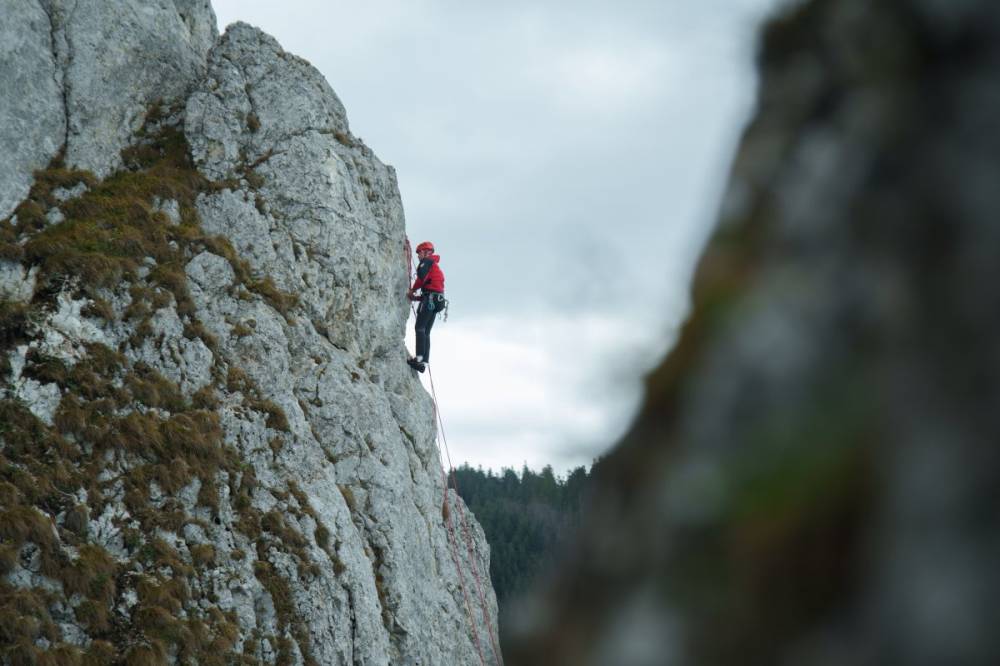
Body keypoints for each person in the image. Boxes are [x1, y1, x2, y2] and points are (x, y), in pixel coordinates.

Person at [407, 241, 445, 373]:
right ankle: (424, 361)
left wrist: (412, 290)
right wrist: (416, 296)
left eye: (419, 253)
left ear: (425, 252)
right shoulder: (433, 266)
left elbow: (421, 278)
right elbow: (429, 284)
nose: (418, 256)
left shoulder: (427, 263)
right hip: (436, 301)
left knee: (419, 328)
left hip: (430, 299)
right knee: (426, 331)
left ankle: (418, 359)